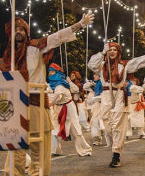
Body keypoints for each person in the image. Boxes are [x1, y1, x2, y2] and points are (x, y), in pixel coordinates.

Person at [2, 13, 94, 176]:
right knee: (15, 147)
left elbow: (56, 38)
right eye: (15, 29)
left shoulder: (35, 47)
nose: (18, 32)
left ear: (26, 32)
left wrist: (79, 25)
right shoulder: (6, 58)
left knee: (39, 146)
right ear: (9, 33)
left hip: (36, 101)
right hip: (15, 104)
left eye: (22, 29)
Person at [88, 42, 145, 167]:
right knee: (107, 126)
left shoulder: (124, 65)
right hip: (106, 95)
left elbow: (138, 62)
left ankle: (116, 154)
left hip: (119, 94)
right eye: (110, 50)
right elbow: (91, 64)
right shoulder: (101, 65)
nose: (112, 51)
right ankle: (116, 144)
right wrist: (102, 52)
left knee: (118, 126)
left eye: (114, 50)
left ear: (118, 52)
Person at [48, 63, 92, 157]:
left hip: (68, 109)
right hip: (59, 108)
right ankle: (55, 150)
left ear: (56, 73)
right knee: (53, 130)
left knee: (76, 132)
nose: (49, 74)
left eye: (51, 72)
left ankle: (85, 149)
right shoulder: (56, 84)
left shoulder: (61, 85)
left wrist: (46, 104)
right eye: (49, 72)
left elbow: (56, 95)